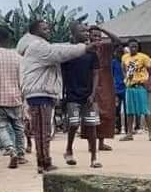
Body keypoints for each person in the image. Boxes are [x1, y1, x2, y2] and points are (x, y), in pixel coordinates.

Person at [17, 19, 86, 173]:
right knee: (43, 130)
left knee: (43, 130)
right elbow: (58, 52)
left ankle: (43, 161)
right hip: (39, 93)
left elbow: (58, 48)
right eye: (45, 28)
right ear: (35, 31)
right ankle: (44, 163)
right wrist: (84, 48)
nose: (48, 30)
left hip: (41, 93)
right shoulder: (37, 46)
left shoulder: (37, 45)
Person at [0, 28, 26, 169]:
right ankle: (20, 154)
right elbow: (23, 79)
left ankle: (10, 150)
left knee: (0, 127)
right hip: (15, 97)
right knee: (18, 128)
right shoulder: (19, 57)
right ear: (10, 39)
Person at [61, 24, 102, 168]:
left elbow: (96, 74)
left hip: (88, 96)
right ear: (73, 34)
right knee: (73, 123)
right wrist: (62, 95)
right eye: (82, 31)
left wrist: (93, 93)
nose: (86, 33)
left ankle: (94, 157)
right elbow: (62, 75)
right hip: (72, 95)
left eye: (87, 31)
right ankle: (69, 149)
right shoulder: (67, 52)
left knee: (92, 126)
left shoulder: (92, 53)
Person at [121, 40, 151, 141]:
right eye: (131, 47)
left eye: (135, 47)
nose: (133, 49)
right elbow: (123, 68)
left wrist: (149, 81)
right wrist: (125, 78)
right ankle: (129, 133)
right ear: (128, 47)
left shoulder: (143, 57)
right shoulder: (125, 57)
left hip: (140, 86)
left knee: (145, 110)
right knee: (130, 111)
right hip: (129, 87)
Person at [87, 27, 115, 151]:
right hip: (90, 82)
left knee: (106, 112)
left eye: (99, 36)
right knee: (91, 113)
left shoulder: (105, 47)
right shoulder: (86, 49)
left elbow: (118, 41)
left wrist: (103, 29)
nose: (97, 38)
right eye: (94, 36)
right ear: (89, 37)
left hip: (105, 82)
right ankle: (90, 143)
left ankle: (101, 142)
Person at [112, 44, 126, 133]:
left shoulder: (126, 62)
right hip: (116, 89)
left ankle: (129, 128)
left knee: (127, 109)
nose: (119, 54)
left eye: (121, 53)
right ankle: (117, 127)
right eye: (118, 52)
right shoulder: (113, 62)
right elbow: (111, 74)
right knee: (116, 109)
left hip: (126, 88)